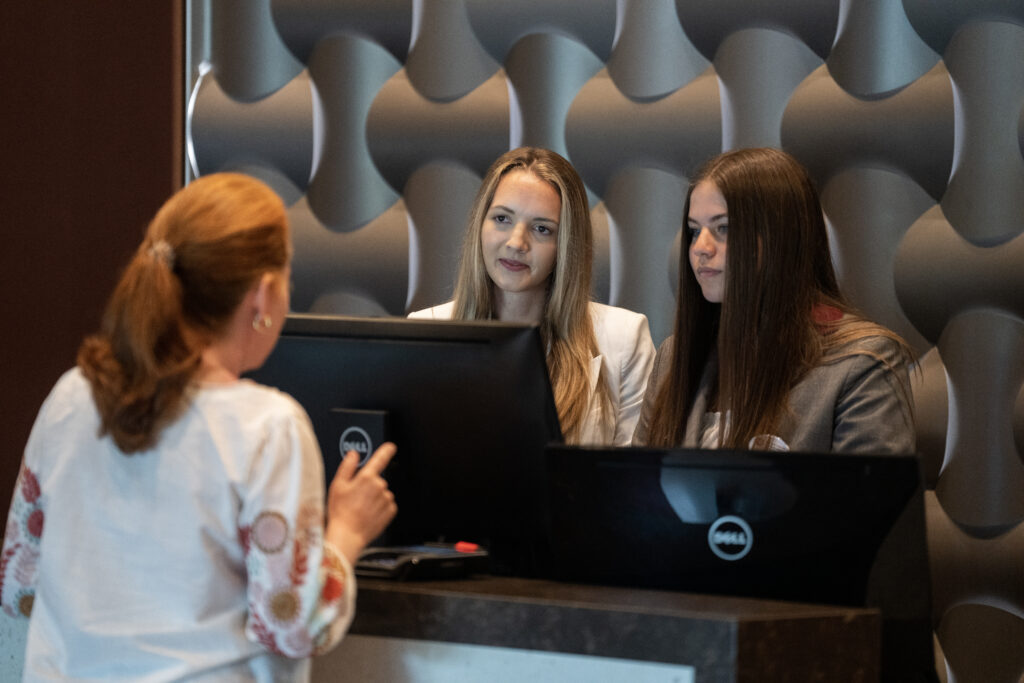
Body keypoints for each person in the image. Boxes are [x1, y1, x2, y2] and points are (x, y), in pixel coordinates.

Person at [1, 173, 398, 681]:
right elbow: (293, 626)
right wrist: (346, 531)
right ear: (263, 296)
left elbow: (20, 586)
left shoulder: (70, 397)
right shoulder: (268, 428)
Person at [634, 147, 915, 453]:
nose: (700, 247)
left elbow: (869, 500)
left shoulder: (862, 362)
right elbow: (635, 490)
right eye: (693, 230)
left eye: (723, 228)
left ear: (779, 239)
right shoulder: (674, 356)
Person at [410, 147, 655, 446]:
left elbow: (636, 484)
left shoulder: (624, 338)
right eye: (502, 219)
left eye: (542, 229)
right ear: (480, 225)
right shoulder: (425, 332)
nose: (516, 242)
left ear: (566, 244)